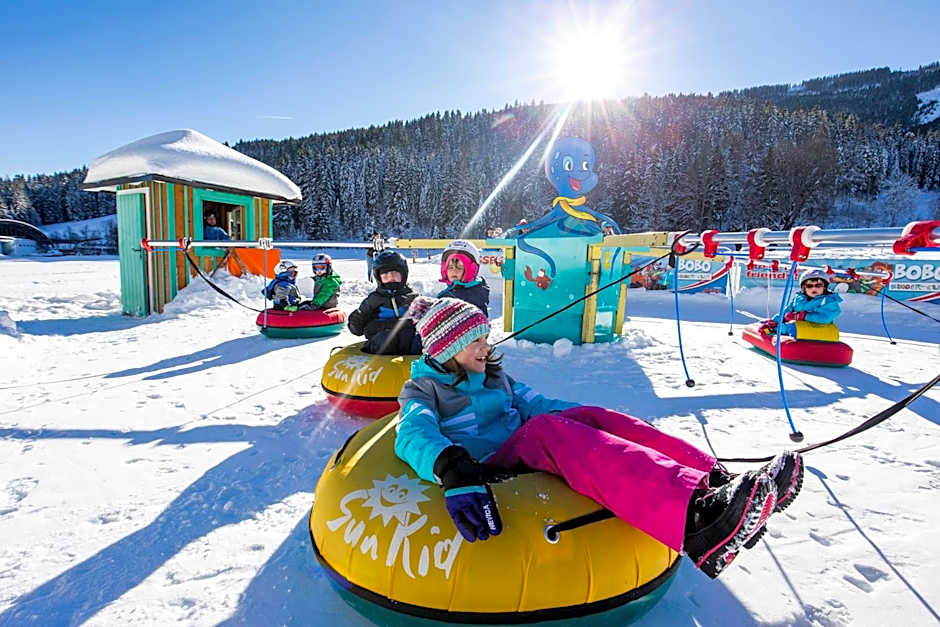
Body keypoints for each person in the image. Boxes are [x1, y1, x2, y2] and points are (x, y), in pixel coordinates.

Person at [395, 296, 804, 579]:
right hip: (486, 464)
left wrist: (588, 421)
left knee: (589, 415)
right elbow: (411, 431)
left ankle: (714, 481)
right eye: (474, 342)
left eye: (485, 338)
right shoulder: (425, 390)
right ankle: (698, 523)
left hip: (524, 443)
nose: (486, 347)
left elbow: (537, 402)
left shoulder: (497, 376)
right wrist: (452, 467)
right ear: (445, 349)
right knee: (547, 430)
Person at [348, 250, 422, 354]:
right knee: (385, 339)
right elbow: (357, 329)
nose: (391, 278)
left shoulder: (412, 297)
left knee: (417, 338)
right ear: (379, 278)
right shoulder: (374, 299)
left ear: (403, 274)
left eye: (395, 274)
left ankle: (421, 365)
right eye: (385, 275)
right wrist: (356, 320)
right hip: (382, 340)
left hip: (407, 340)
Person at [759, 269, 843, 337]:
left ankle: (776, 330)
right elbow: (786, 311)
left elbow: (825, 318)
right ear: (804, 288)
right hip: (800, 329)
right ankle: (771, 328)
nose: (814, 288)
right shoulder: (799, 299)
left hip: (818, 330)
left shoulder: (829, 301)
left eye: (818, 285)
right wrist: (776, 320)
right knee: (785, 326)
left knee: (788, 328)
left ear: (824, 287)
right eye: (809, 286)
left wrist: (803, 316)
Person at [437, 239, 489, 315]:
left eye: (460, 267)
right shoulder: (451, 292)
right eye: (451, 267)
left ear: (472, 270)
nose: (454, 271)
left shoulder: (474, 295)